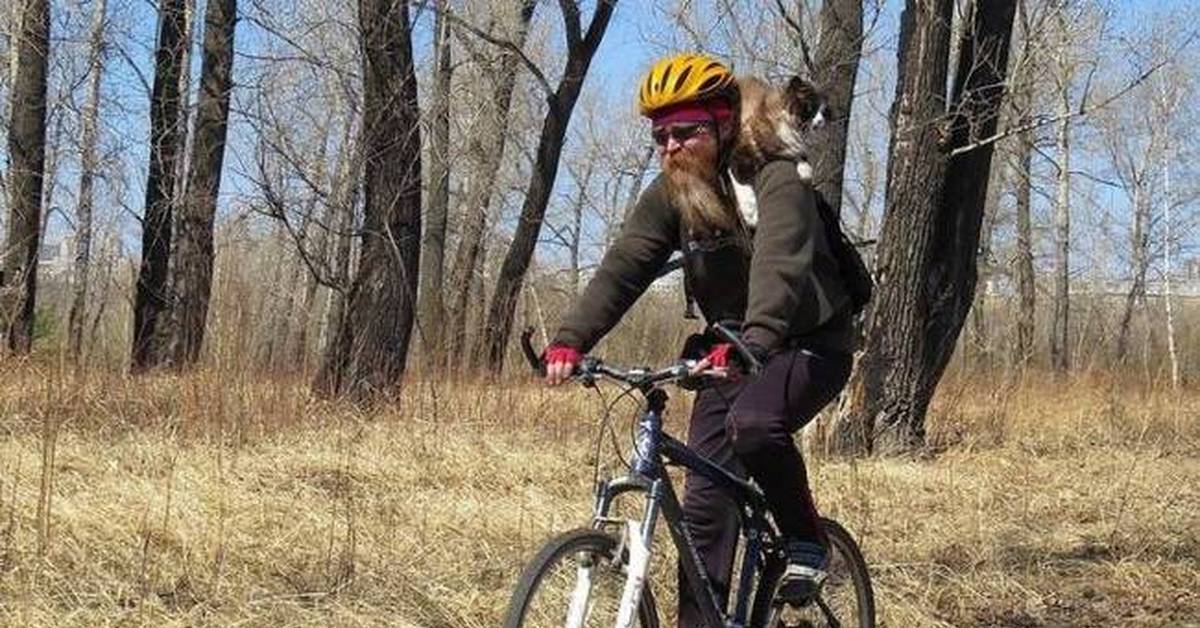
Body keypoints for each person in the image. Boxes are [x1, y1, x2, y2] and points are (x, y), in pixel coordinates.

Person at [543, 53, 856, 626]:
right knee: (705, 510)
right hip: (731, 350)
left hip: (809, 342)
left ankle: (806, 539)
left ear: (723, 122)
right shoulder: (676, 190)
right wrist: (571, 340)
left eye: (685, 132)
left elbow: (780, 260)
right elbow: (626, 264)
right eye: (660, 137)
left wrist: (756, 339)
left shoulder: (773, 172)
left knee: (754, 424)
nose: (671, 147)